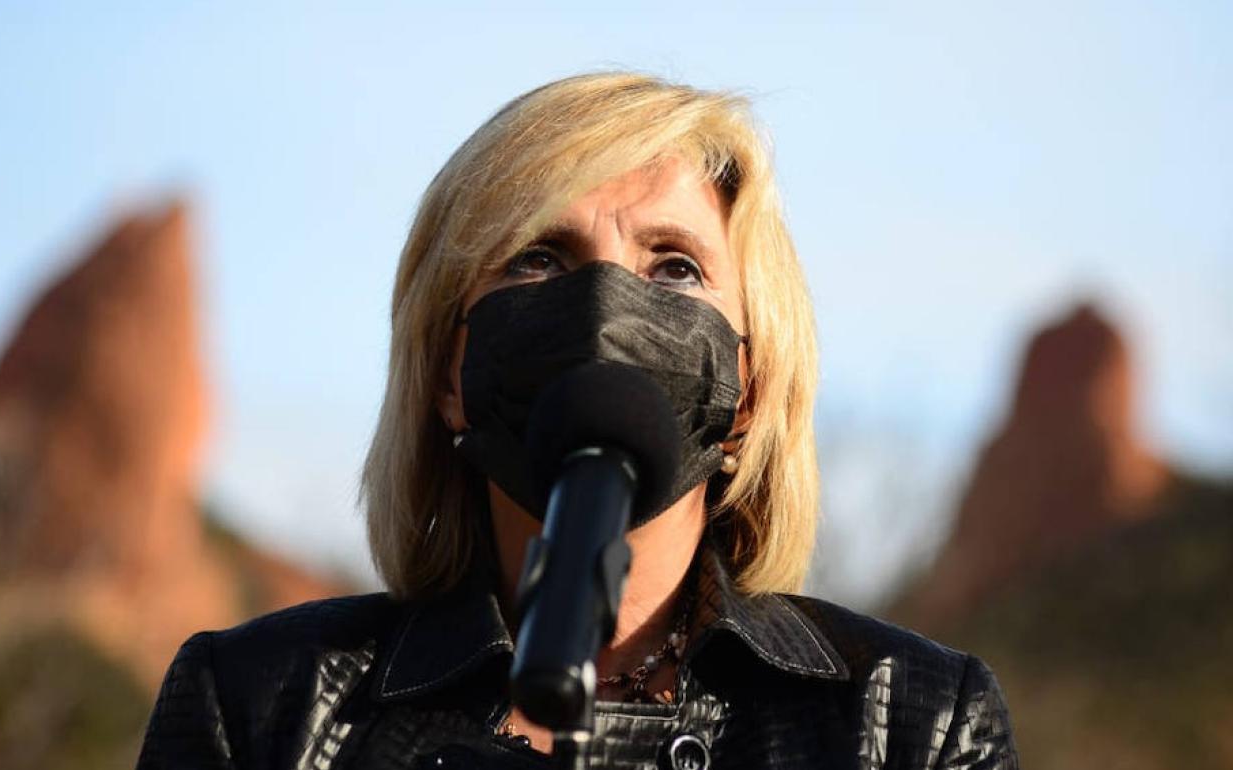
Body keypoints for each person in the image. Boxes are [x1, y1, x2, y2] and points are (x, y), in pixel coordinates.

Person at [137, 72, 1018, 770]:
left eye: (673, 268)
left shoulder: (914, 724)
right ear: (451, 373)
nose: (604, 307)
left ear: (747, 391)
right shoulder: (259, 706)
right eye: (538, 257)